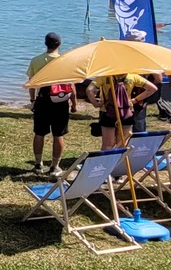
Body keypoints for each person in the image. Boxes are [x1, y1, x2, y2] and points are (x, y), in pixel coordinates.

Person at [26, 32, 77, 175]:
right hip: (60, 101)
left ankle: (38, 164)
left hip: (43, 99)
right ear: (59, 44)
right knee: (58, 135)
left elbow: (31, 84)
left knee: (39, 133)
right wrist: (74, 104)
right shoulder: (65, 61)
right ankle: (55, 166)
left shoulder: (36, 60)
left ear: (45, 44)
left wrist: (33, 100)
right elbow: (71, 85)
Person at [87, 74, 157, 150]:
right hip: (126, 113)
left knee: (108, 145)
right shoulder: (132, 76)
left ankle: (107, 158)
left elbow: (89, 90)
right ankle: (121, 157)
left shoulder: (104, 76)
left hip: (107, 112)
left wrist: (95, 103)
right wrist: (135, 100)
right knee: (123, 144)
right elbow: (153, 88)